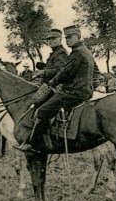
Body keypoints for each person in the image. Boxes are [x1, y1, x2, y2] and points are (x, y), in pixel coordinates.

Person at [15, 25, 95, 154]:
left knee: (42, 111)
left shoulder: (76, 52)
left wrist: (51, 81)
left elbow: (64, 72)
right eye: (67, 37)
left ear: (78, 37)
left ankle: (34, 144)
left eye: (71, 37)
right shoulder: (84, 50)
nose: (68, 40)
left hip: (74, 91)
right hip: (83, 90)